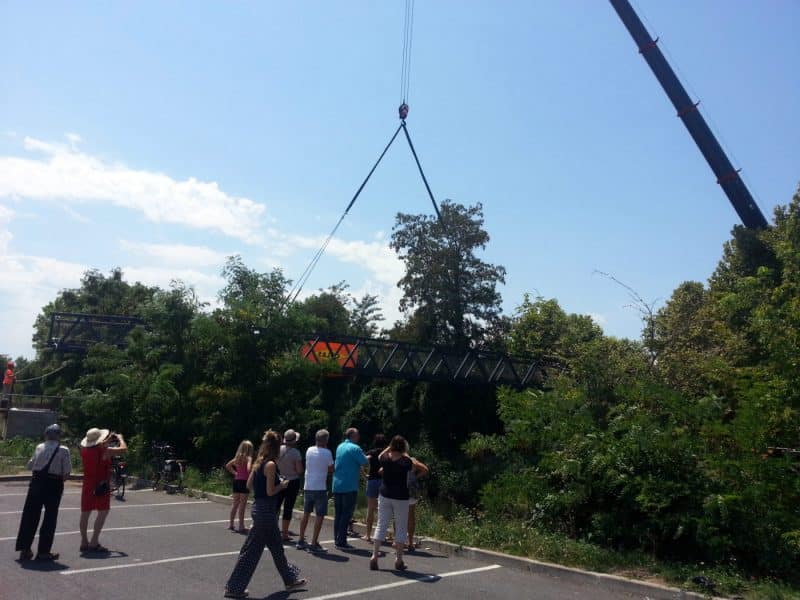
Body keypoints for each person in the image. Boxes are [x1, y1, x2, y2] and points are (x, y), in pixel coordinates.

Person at [224, 430, 306, 598]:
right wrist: (282, 485)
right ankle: (234, 588)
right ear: (276, 447)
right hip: (266, 512)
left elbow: (248, 484)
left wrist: (261, 491)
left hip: (259, 508)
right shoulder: (270, 465)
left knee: (276, 548)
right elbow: (270, 491)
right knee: (251, 552)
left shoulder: (258, 462)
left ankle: (290, 580)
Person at [15, 423, 71, 561]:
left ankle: (25, 549)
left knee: (30, 515)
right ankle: (43, 552)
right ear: (58, 436)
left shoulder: (39, 446)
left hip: (36, 482)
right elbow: (66, 473)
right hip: (53, 484)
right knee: (50, 518)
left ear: (46, 435)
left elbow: (30, 465)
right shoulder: (63, 450)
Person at [79, 427, 127, 553]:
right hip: (101, 484)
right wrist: (120, 439)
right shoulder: (105, 450)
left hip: (88, 483)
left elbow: (96, 446)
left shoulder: (84, 450)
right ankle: (94, 541)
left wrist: (108, 439)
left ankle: (84, 541)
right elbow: (123, 449)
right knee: (103, 511)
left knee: (85, 512)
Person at [369, 435, 413, 572]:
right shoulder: (406, 461)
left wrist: (390, 446)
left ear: (392, 446)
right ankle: (399, 560)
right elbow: (411, 466)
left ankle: (374, 555)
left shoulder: (385, 458)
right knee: (400, 527)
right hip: (400, 496)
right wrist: (403, 450)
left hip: (385, 494)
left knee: (381, 524)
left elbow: (381, 454)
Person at [296, 429, 334, 553]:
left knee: (306, 513)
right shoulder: (327, 453)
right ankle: (314, 542)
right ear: (326, 440)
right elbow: (331, 469)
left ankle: (301, 539)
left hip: (308, 485)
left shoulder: (309, 450)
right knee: (320, 515)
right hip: (320, 487)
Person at [332, 427, 367, 549]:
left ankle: (336, 538)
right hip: (349, 485)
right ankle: (341, 541)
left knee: (338, 513)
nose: (359, 437)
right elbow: (364, 461)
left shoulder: (340, 446)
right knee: (346, 514)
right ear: (352, 436)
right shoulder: (355, 448)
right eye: (357, 435)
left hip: (337, 484)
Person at [275, 429, 304, 542]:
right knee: (288, 507)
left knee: (276, 505)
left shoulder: (278, 449)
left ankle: (274, 529)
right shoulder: (295, 453)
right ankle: (285, 533)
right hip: (292, 481)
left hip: (281, 478)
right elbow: (299, 470)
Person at [225, 440, 254, 533]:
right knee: (242, 504)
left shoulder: (237, 457)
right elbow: (249, 469)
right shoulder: (248, 458)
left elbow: (228, 465)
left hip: (237, 481)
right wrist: (251, 473)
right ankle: (241, 525)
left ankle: (231, 524)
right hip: (244, 482)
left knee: (235, 504)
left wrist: (236, 473)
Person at [364, 433, 386, 543]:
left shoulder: (371, 453)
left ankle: (368, 534)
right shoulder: (386, 454)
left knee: (371, 509)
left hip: (372, 480)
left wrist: (364, 475)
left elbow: (362, 462)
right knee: (382, 510)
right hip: (384, 481)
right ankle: (380, 535)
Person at [405, 454, 429, 551]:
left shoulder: (396, 459)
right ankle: (410, 542)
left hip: (399, 490)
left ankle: (397, 541)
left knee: (398, 516)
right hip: (411, 490)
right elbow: (425, 469)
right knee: (411, 516)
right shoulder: (412, 460)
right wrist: (415, 477)